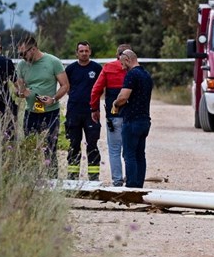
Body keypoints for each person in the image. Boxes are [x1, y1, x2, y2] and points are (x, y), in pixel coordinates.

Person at [15, 36, 69, 177]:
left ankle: (52, 178)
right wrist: (20, 93)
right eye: (19, 54)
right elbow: (20, 90)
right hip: (31, 112)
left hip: (50, 111)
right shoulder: (21, 65)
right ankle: (31, 179)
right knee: (30, 147)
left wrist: (53, 98)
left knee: (50, 147)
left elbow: (65, 85)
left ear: (33, 49)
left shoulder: (53, 62)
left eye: (23, 53)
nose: (22, 57)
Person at [90, 43, 131, 186]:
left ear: (116, 54)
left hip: (113, 116)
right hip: (131, 116)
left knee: (114, 150)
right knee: (129, 149)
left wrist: (94, 109)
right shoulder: (135, 69)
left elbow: (96, 90)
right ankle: (131, 179)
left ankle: (117, 180)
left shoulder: (108, 68)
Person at [112, 49, 153, 188]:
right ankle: (139, 185)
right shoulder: (146, 75)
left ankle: (131, 186)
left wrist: (115, 104)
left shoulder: (132, 75)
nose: (122, 67)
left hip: (132, 121)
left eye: (123, 64)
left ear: (128, 59)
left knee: (129, 155)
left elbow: (123, 97)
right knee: (140, 155)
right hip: (145, 120)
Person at [65, 41, 102, 181]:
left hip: (91, 112)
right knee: (74, 144)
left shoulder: (97, 68)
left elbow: (101, 88)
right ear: (77, 53)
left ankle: (93, 176)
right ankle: (72, 176)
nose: (84, 53)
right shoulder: (70, 69)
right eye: (81, 51)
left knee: (92, 144)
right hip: (74, 112)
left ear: (90, 52)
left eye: (86, 51)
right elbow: (66, 87)